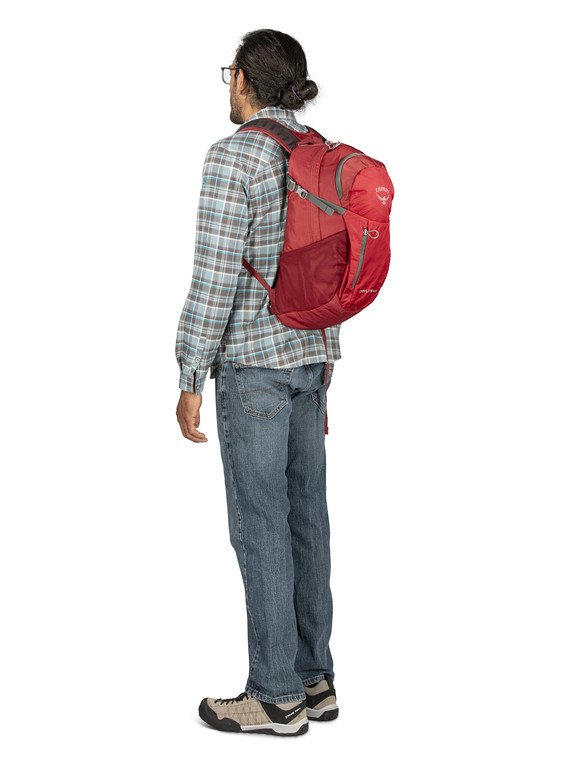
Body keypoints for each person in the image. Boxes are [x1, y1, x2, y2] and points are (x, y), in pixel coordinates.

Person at [175, 29, 340, 736]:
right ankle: (314, 679)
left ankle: (274, 695)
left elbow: (214, 278)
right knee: (306, 518)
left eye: (230, 75)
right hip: (311, 362)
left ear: (244, 80)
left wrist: (189, 371)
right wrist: (325, 363)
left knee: (262, 524)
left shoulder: (234, 156)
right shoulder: (320, 154)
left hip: (253, 372)